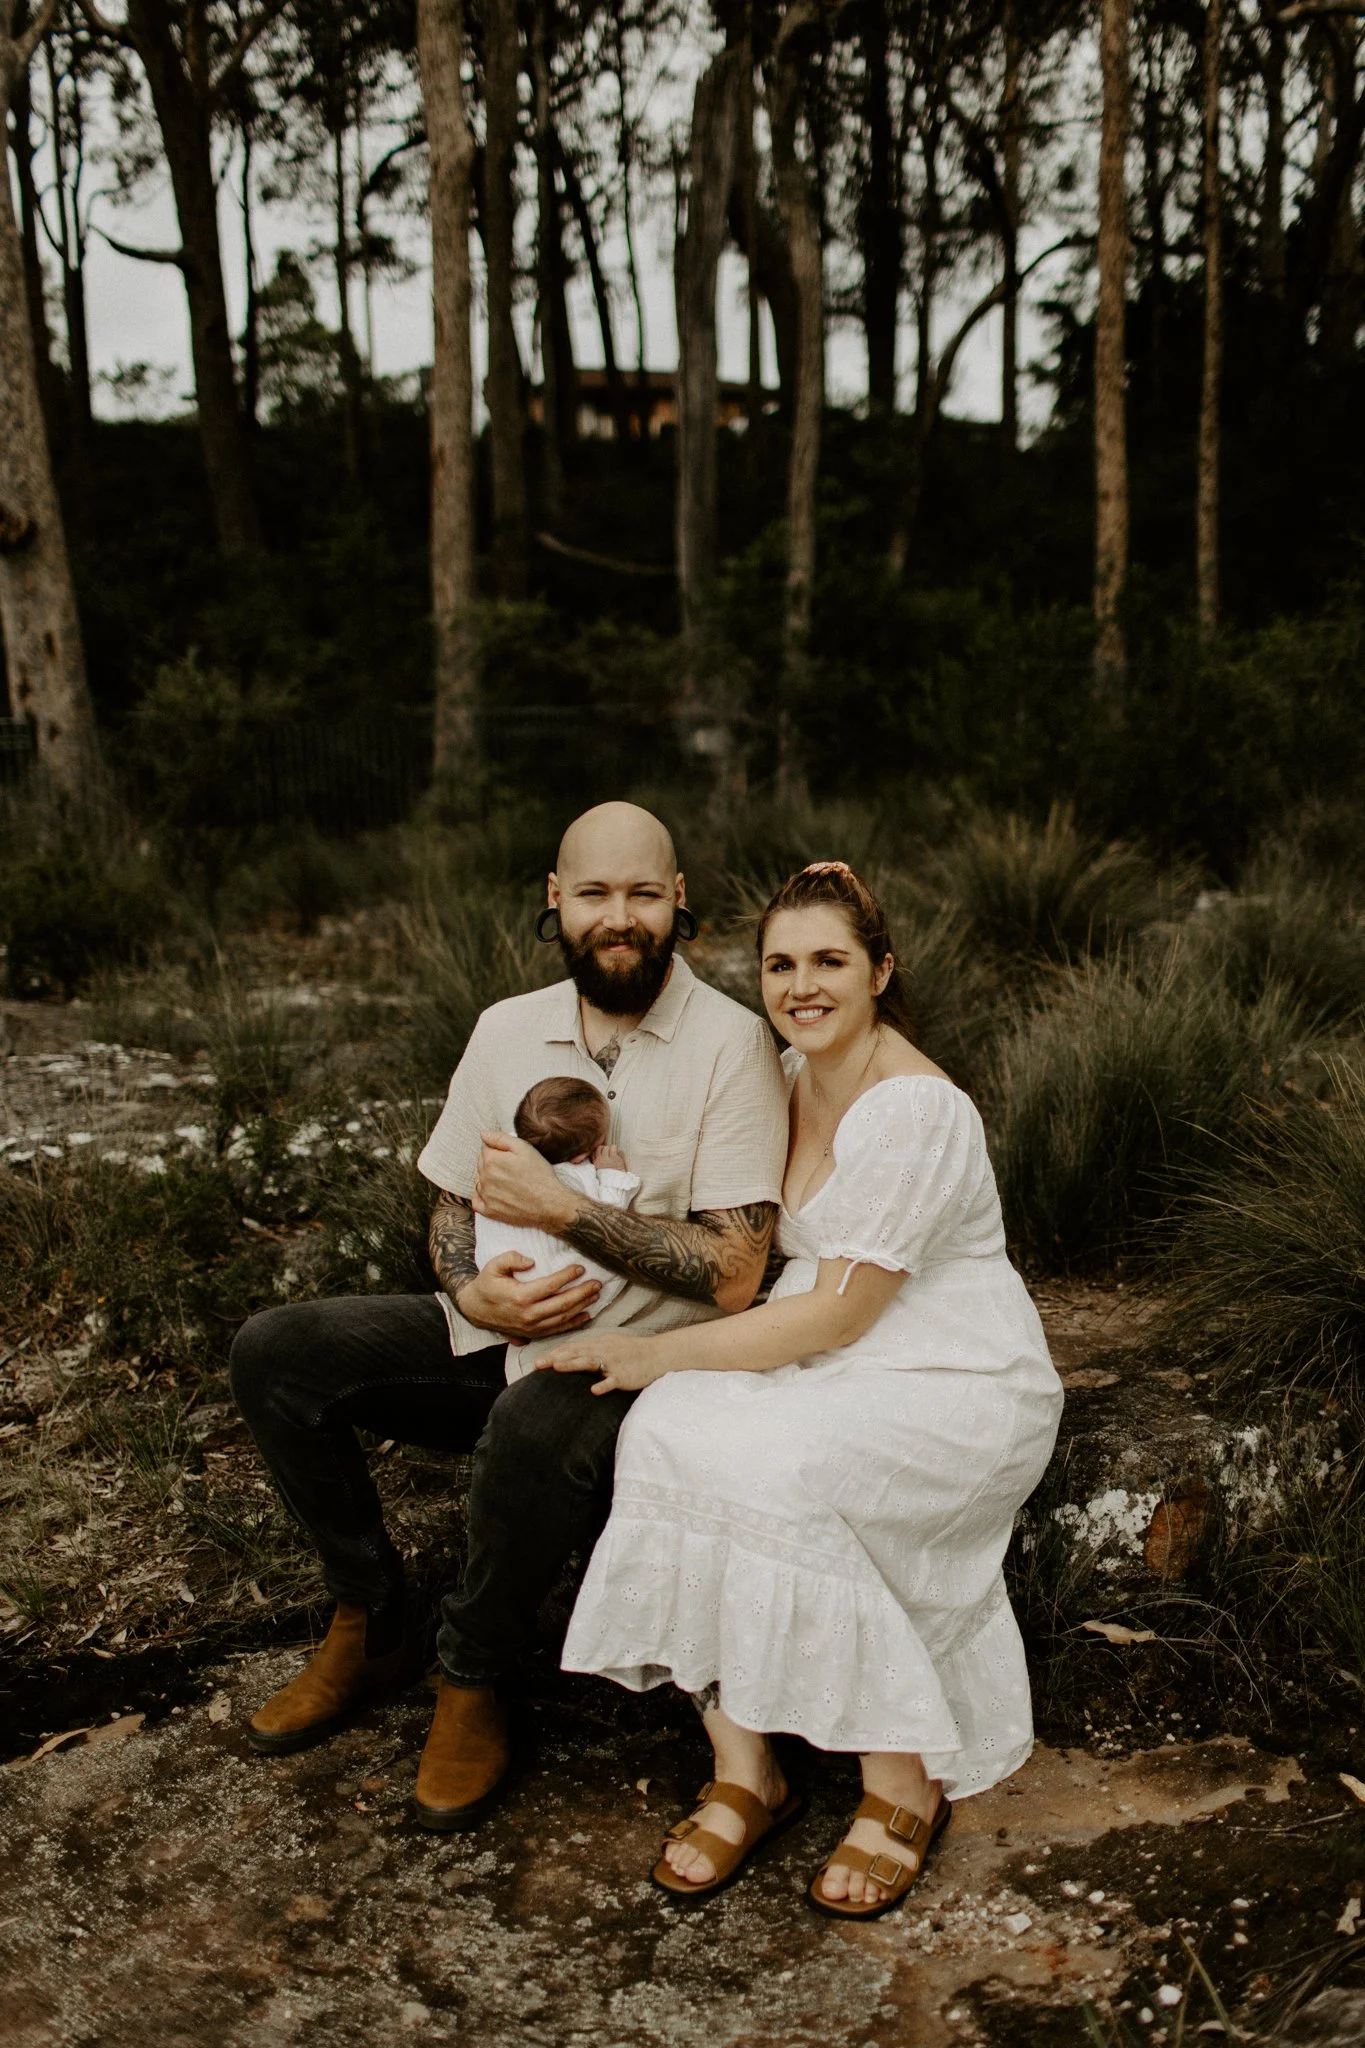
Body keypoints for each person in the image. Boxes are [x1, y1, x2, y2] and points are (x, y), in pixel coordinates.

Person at [228, 802, 787, 1831]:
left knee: (532, 1423)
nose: (618, 917)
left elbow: (734, 1272)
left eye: (642, 893)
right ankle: (371, 1616)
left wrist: (564, 1209)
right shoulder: (503, 1029)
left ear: (678, 900)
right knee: (277, 1353)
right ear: (555, 899)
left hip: (639, 1364)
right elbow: (452, 1198)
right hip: (500, 1334)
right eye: (594, 893)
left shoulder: (732, 1042)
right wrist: (467, 1289)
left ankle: (472, 1670)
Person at [540, 861, 1064, 1917]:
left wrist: (651, 1352)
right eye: (780, 965)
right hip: (825, 1349)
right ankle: (748, 1768)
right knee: (666, 1432)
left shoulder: (914, 1108)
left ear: (881, 971)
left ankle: (901, 1777)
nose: (802, 986)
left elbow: (839, 1314)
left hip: (948, 1369)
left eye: (829, 961)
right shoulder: (778, 1075)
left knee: (784, 1465)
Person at [474, 1076, 640, 1316]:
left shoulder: (502, 1160)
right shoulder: (575, 1178)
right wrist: (611, 1174)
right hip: (558, 1286)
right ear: (578, 1156)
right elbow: (608, 1218)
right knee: (617, 1257)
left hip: (500, 1276)